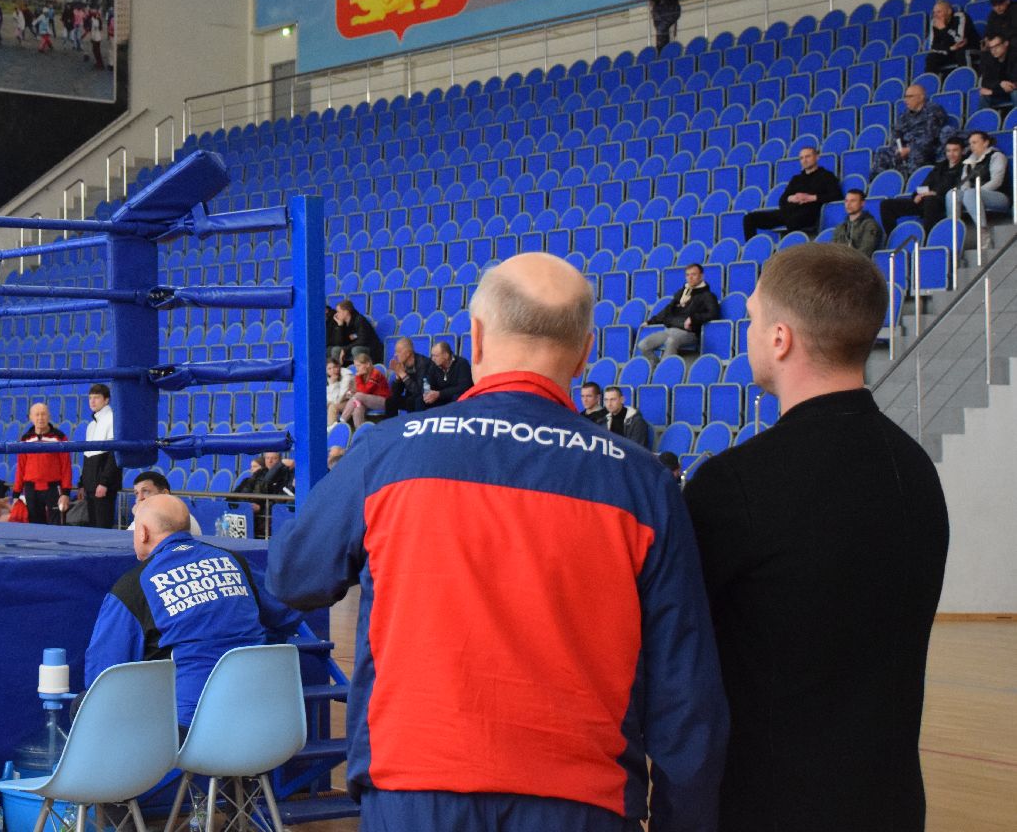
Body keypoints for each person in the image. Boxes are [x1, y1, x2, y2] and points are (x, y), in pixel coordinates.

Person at [268, 253, 727, 832]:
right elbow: (687, 699)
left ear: (476, 336)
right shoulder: (644, 484)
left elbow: (293, 577)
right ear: (586, 350)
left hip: (415, 788)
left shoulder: (387, 452)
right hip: (583, 803)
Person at [685, 243, 948, 831]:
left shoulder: (737, 484)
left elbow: (678, 645)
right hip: (890, 802)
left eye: (752, 320)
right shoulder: (916, 469)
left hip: (771, 805)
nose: (748, 334)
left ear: (780, 339)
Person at [85, 494, 300, 730]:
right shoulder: (236, 562)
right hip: (266, 718)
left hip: (188, 728)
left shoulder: (133, 588)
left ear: (143, 532)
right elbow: (287, 615)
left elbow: (102, 677)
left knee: (86, 704)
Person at [741, 146, 842, 240]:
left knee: (793, 220)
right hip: (788, 213)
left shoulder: (827, 176)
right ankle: (751, 249)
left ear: (817, 157)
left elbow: (837, 196)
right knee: (749, 218)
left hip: (810, 213)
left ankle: (790, 249)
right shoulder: (796, 179)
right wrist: (791, 198)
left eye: (808, 156)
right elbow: (782, 201)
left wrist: (811, 198)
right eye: (801, 158)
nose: (804, 160)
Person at [879, 136, 965, 233]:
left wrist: (935, 193)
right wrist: (918, 194)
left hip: (941, 202)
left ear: (962, 151)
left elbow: (959, 186)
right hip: (925, 200)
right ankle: (893, 238)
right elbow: (926, 183)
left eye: (955, 150)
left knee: (930, 200)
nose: (951, 154)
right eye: (948, 151)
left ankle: (928, 239)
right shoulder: (940, 166)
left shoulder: (964, 167)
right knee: (886, 205)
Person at [637, 263, 720, 363]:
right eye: (688, 275)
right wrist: (650, 322)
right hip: (670, 329)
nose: (690, 277)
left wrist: (693, 319)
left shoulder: (708, 296)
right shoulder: (681, 293)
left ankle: (665, 370)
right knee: (643, 345)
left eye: (693, 274)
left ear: (701, 276)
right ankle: (657, 368)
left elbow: (713, 313)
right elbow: (668, 310)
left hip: (689, 333)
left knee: (671, 341)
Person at [13, 402, 72, 525]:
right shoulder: (25, 439)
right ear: (31, 417)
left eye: (43, 414)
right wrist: (16, 493)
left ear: (49, 416)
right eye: (37, 414)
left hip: (53, 489)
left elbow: (66, 466)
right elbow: (21, 467)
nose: (40, 418)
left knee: (57, 528)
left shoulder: (59, 438)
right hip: (31, 490)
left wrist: (66, 493)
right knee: (35, 528)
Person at [871, 84, 949, 179]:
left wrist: (909, 149)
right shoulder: (904, 115)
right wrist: (898, 148)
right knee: (882, 155)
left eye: (909, 97)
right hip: (905, 148)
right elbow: (896, 133)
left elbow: (930, 136)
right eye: (905, 97)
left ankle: (911, 184)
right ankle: (879, 186)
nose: (905, 100)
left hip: (926, 148)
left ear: (921, 97)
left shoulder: (933, 110)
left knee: (916, 154)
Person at [956, 129, 1011, 250]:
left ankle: (983, 233)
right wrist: (966, 193)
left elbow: (997, 181)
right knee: (952, 194)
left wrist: (977, 192)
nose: (972, 146)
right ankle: (956, 232)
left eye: (975, 142)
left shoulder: (996, 156)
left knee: (970, 193)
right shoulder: (969, 162)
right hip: (974, 195)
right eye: (970, 143)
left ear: (985, 143)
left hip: (998, 196)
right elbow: (964, 183)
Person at [80, 384, 121, 529]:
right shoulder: (91, 425)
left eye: (96, 397)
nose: (92, 401)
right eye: (90, 398)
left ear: (106, 400)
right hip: (91, 484)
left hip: (103, 485)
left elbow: (114, 454)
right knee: (92, 527)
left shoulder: (112, 419)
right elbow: (88, 455)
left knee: (102, 526)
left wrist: (104, 482)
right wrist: (82, 483)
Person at [232, 451, 295, 539]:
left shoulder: (286, 475)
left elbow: (279, 499)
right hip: (255, 514)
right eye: (267, 458)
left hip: (271, 516)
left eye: (274, 458)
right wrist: (247, 505)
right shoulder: (258, 474)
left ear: (280, 460)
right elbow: (247, 493)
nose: (270, 461)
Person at [128, 469, 201, 535]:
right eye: (136, 493)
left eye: (146, 491)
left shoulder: (179, 519)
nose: (139, 498)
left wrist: (140, 515)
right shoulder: (145, 516)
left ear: (165, 494)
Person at [337, 349, 390, 430]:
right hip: (367, 400)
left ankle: (342, 421)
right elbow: (356, 390)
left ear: (368, 364)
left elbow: (364, 391)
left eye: (358, 366)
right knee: (358, 408)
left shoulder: (376, 373)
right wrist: (350, 392)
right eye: (355, 366)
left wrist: (357, 378)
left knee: (358, 396)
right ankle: (361, 433)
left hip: (383, 401)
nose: (356, 369)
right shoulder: (361, 374)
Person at [923, 0, 978, 77]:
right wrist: (950, 48)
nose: (935, 15)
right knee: (931, 57)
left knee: (961, 52)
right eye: (934, 12)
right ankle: (930, 83)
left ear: (949, 11)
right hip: (950, 51)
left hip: (970, 48)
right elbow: (933, 46)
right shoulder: (934, 22)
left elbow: (960, 40)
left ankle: (966, 78)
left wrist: (943, 29)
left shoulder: (960, 16)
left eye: (939, 12)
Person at [327, 300, 384, 364]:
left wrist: (346, 349)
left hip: (370, 349)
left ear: (346, 312)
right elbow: (339, 343)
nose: (336, 314)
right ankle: (338, 371)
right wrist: (340, 326)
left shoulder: (360, 320)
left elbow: (362, 340)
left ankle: (361, 370)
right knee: (336, 349)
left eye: (338, 312)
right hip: (352, 347)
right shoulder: (344, 323)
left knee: (356, 349)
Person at [384, 337, 431, 415]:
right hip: (411, 398)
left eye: (398, 351)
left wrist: (403, 374)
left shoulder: (423, 364)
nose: (395, 354)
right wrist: (398, 376)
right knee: (390, 401)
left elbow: (419, 391)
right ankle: (391, 426)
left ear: (408, 353)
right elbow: (396, 393)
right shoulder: (403, 364)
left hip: (424, 399)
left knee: (412, 400)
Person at [830, 188, 882, 257]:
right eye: (846, 201)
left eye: (853, 201)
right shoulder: (840, 227)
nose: (848, 204)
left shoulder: (870, 225)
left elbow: (866, 251)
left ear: (862, 203)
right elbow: (832, 250)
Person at [421, 340, 472, 407]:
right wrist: (427, 393)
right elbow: (428, 382)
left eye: (436, 356)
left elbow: (463, 387)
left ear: (446, 355)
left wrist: (440, 394)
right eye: (432, 356)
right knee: (421, 400)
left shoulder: (462, 364)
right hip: (441, 397)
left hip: (456, 397)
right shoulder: (434, 365)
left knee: (456, 397)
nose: (433, 359)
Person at [977, 32, 1017, 111]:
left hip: (1012, 91)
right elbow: (986, 82)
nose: (993, 50)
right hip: (1000, 92)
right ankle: (983, 122)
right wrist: (1000, 84)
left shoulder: (1014, 56)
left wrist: (993, 91)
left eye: (996, 46)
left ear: (1006, 43)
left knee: (1015, 93)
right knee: (984, 96)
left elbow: (1013, 84)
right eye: (991, 48)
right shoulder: (989, 59)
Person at [324, 359, 354, 427]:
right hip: (339, 400)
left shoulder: (347, 375)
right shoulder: (328, 377)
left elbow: (340, 398)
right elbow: (328, 396)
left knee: (332, 407)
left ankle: (332, 430)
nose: (333, 370)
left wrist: (333, 384)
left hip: (350, 401)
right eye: (329, 369)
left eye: (335, 367)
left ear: (339, 366)